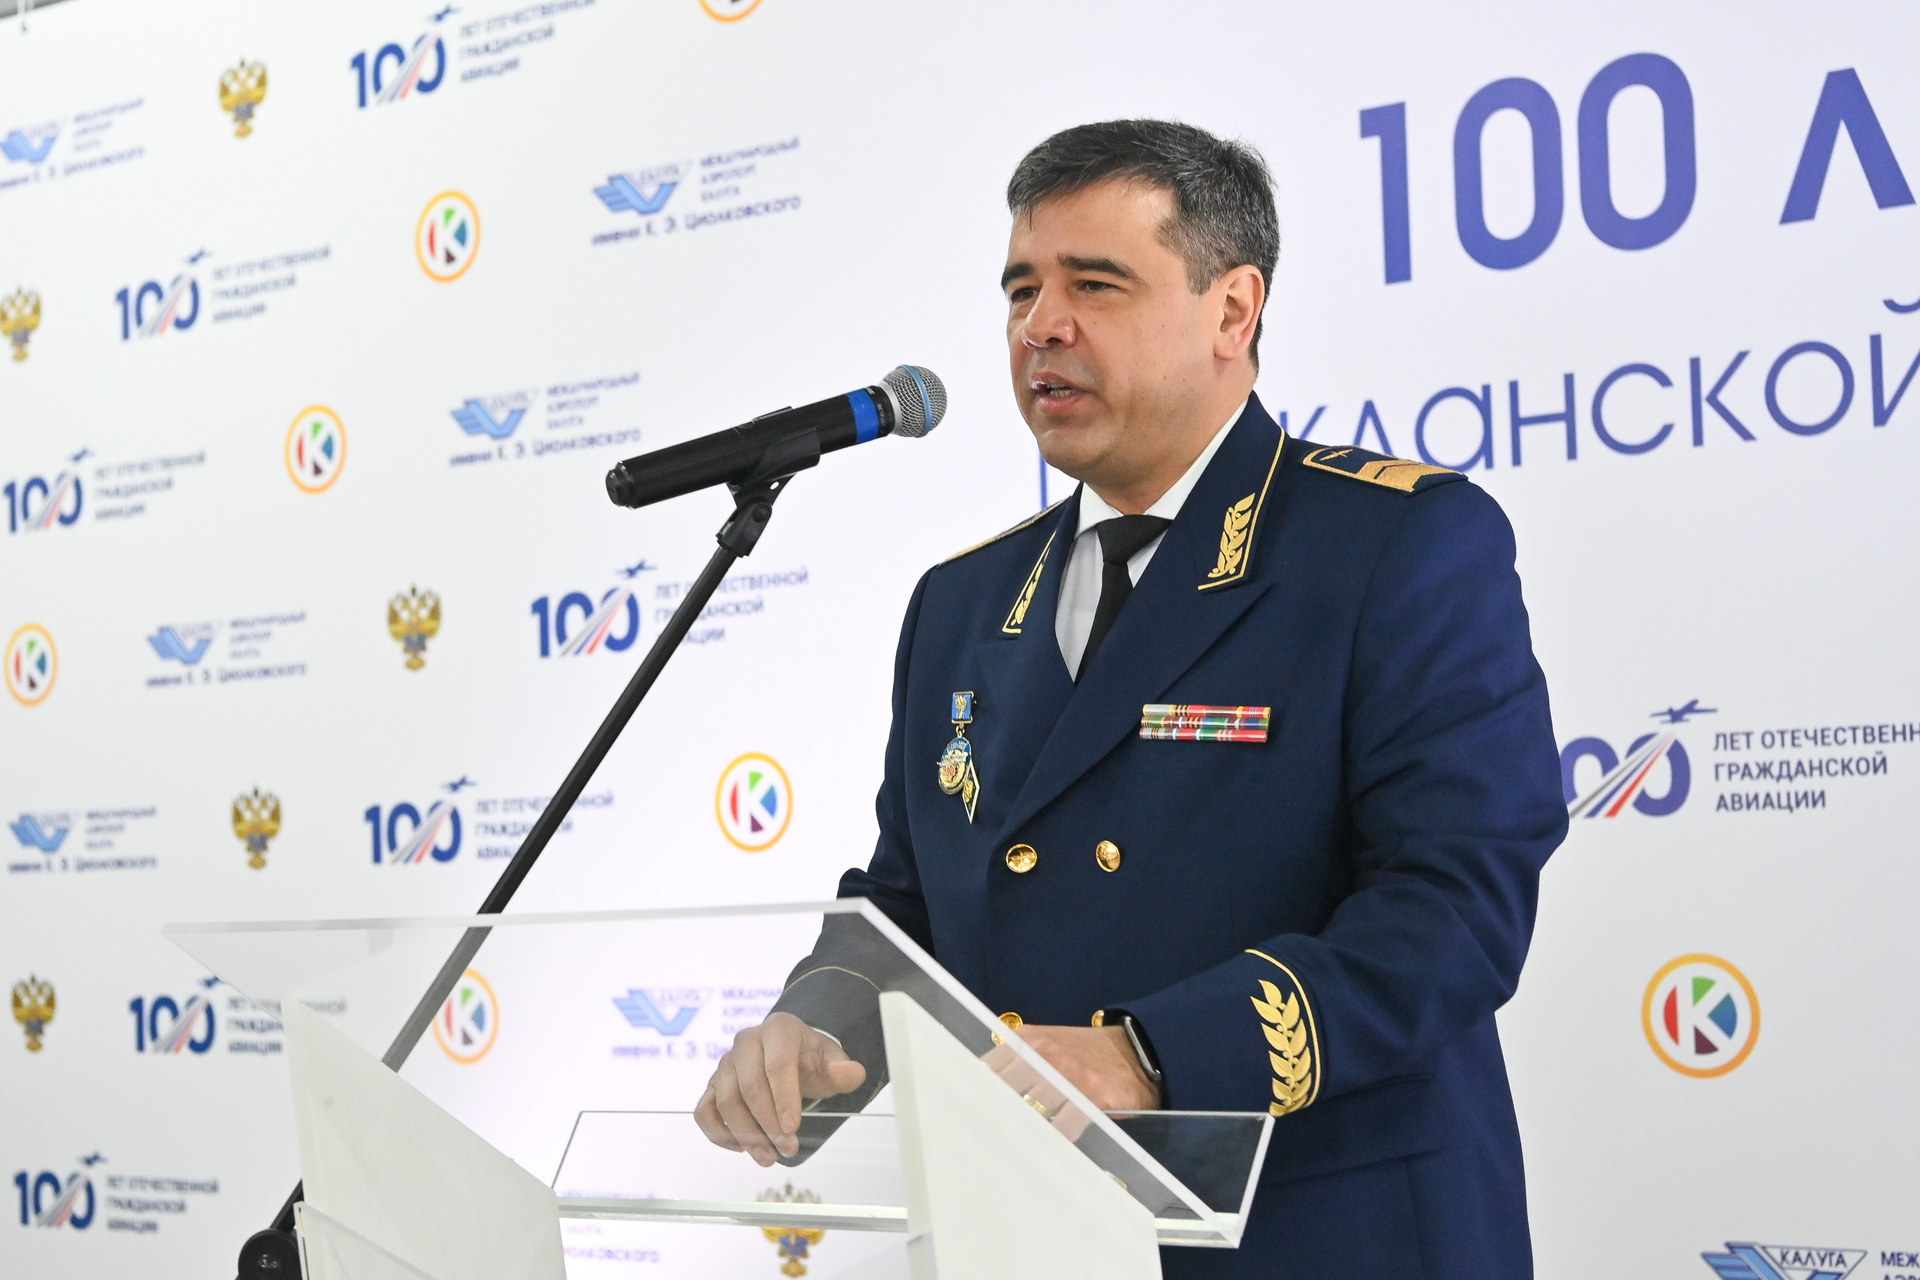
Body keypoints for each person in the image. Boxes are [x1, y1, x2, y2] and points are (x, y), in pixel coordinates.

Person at [695, 118, 1568, 1279]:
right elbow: (908, 903)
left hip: (1320, 1234)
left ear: (1232, 311)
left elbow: (1455, 908)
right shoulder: (961, 600)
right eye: (1021, 289)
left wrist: (1152, 1053)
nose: (1040, 325)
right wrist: (817, 1020)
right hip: (1040, 1235)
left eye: (1094, 284)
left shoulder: (1393, 545)